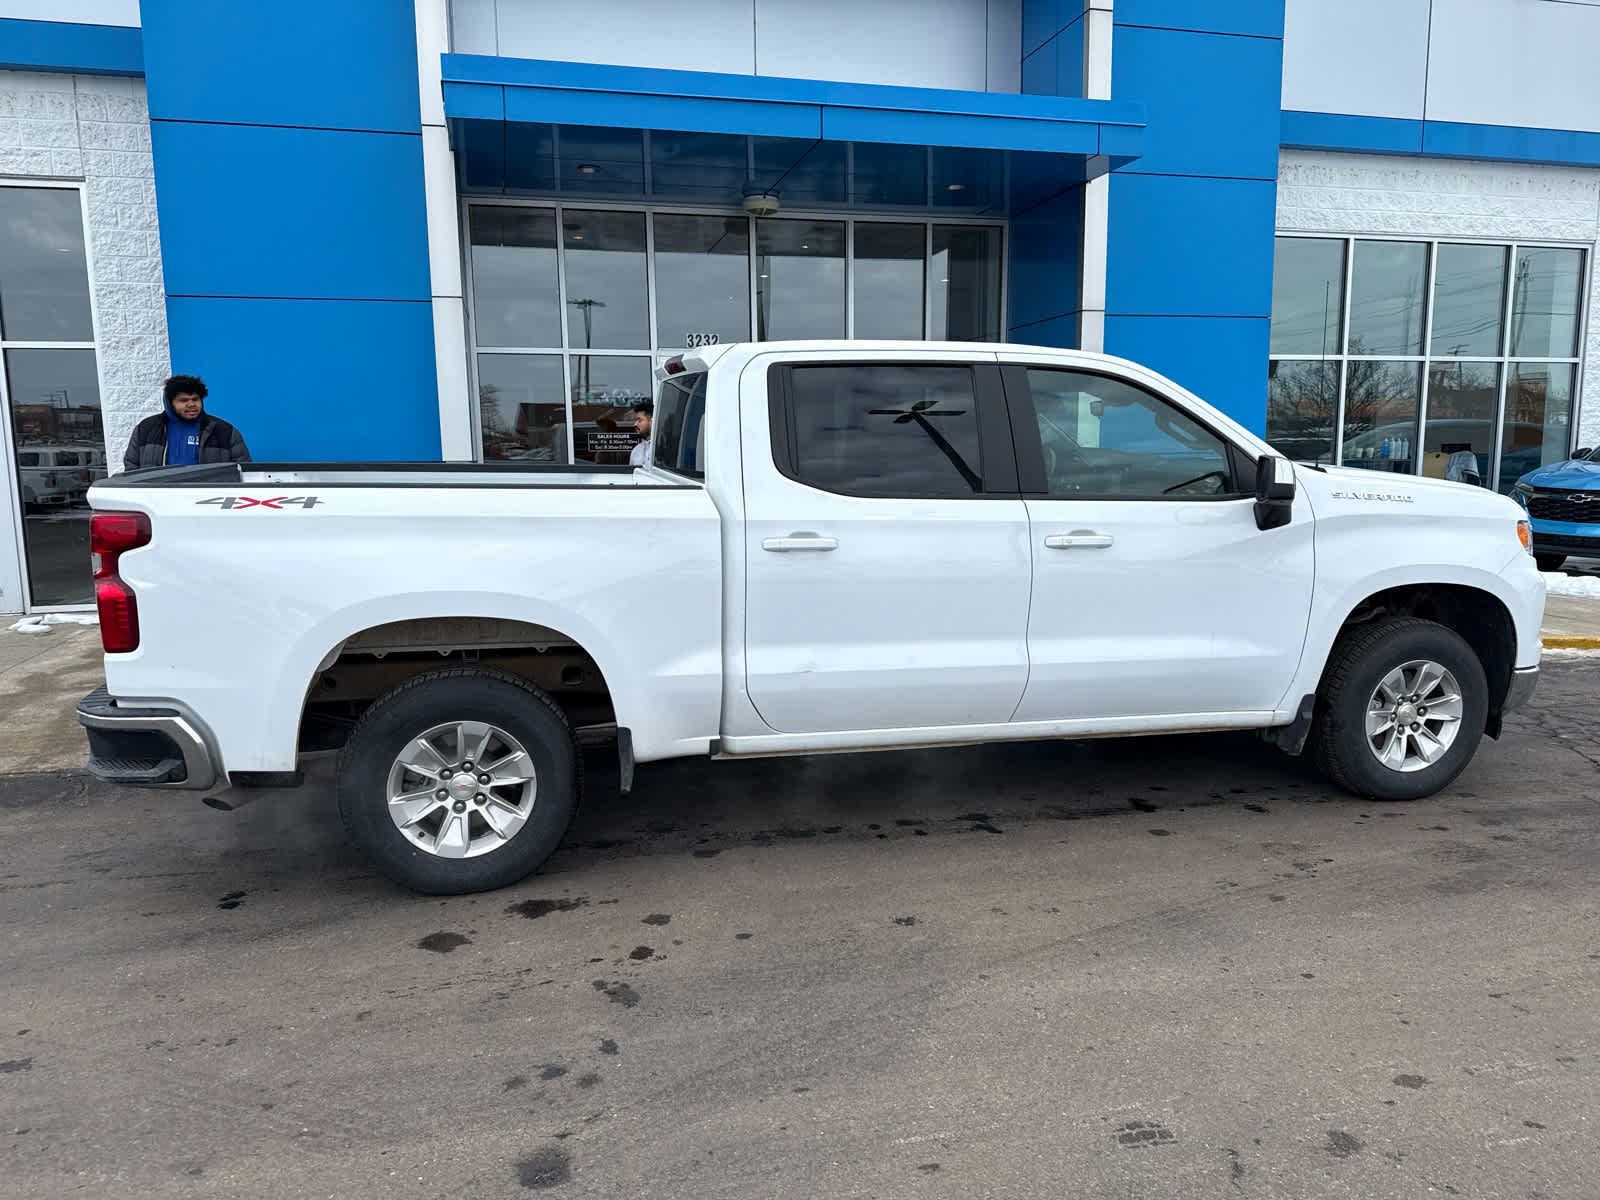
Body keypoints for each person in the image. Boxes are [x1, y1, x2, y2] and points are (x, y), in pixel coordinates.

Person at [123, 374, 250, 471]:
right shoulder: (146, 429)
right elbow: (131, 468)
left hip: (208, 501)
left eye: (195, 399)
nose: (191, 404)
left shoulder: (224, 431)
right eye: (183, 400)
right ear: (169, 403)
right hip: (159, 501)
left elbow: (243, 470)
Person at [628, 401, 653, 468]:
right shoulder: (636, 450)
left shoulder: (661, 449)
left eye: (640, 420)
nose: (635, 424)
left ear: (651, 421)